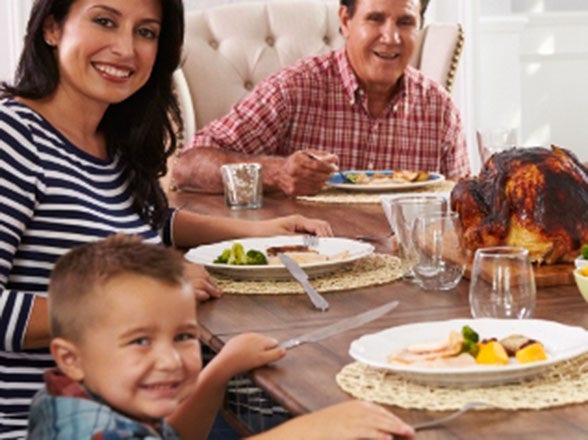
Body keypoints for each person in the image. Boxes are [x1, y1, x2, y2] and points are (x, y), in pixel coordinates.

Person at [0, 0, 331, 436]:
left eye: (146, 32)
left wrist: (258, 232)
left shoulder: (111, 140)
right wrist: (145, 301)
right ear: (52, 28)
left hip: (145, 409)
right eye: (104, 21)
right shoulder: (14, 139)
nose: (126, 48)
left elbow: (149, 219)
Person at [27, 234, 415, 439]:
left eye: (183, 336)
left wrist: (223, 366)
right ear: (70, 359)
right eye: (140, 341)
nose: (171, 360)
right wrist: (305, 431)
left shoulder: (101, 391)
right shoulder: (83, 425)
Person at [172, 0, 469, 196]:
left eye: (405, 22)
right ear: (345, 20)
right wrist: (277, 174)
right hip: (304, 267)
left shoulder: (439, 109)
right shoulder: (294, 89)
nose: (391, 37)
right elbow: (187, 167)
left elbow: (464, 203)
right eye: (375, 19)